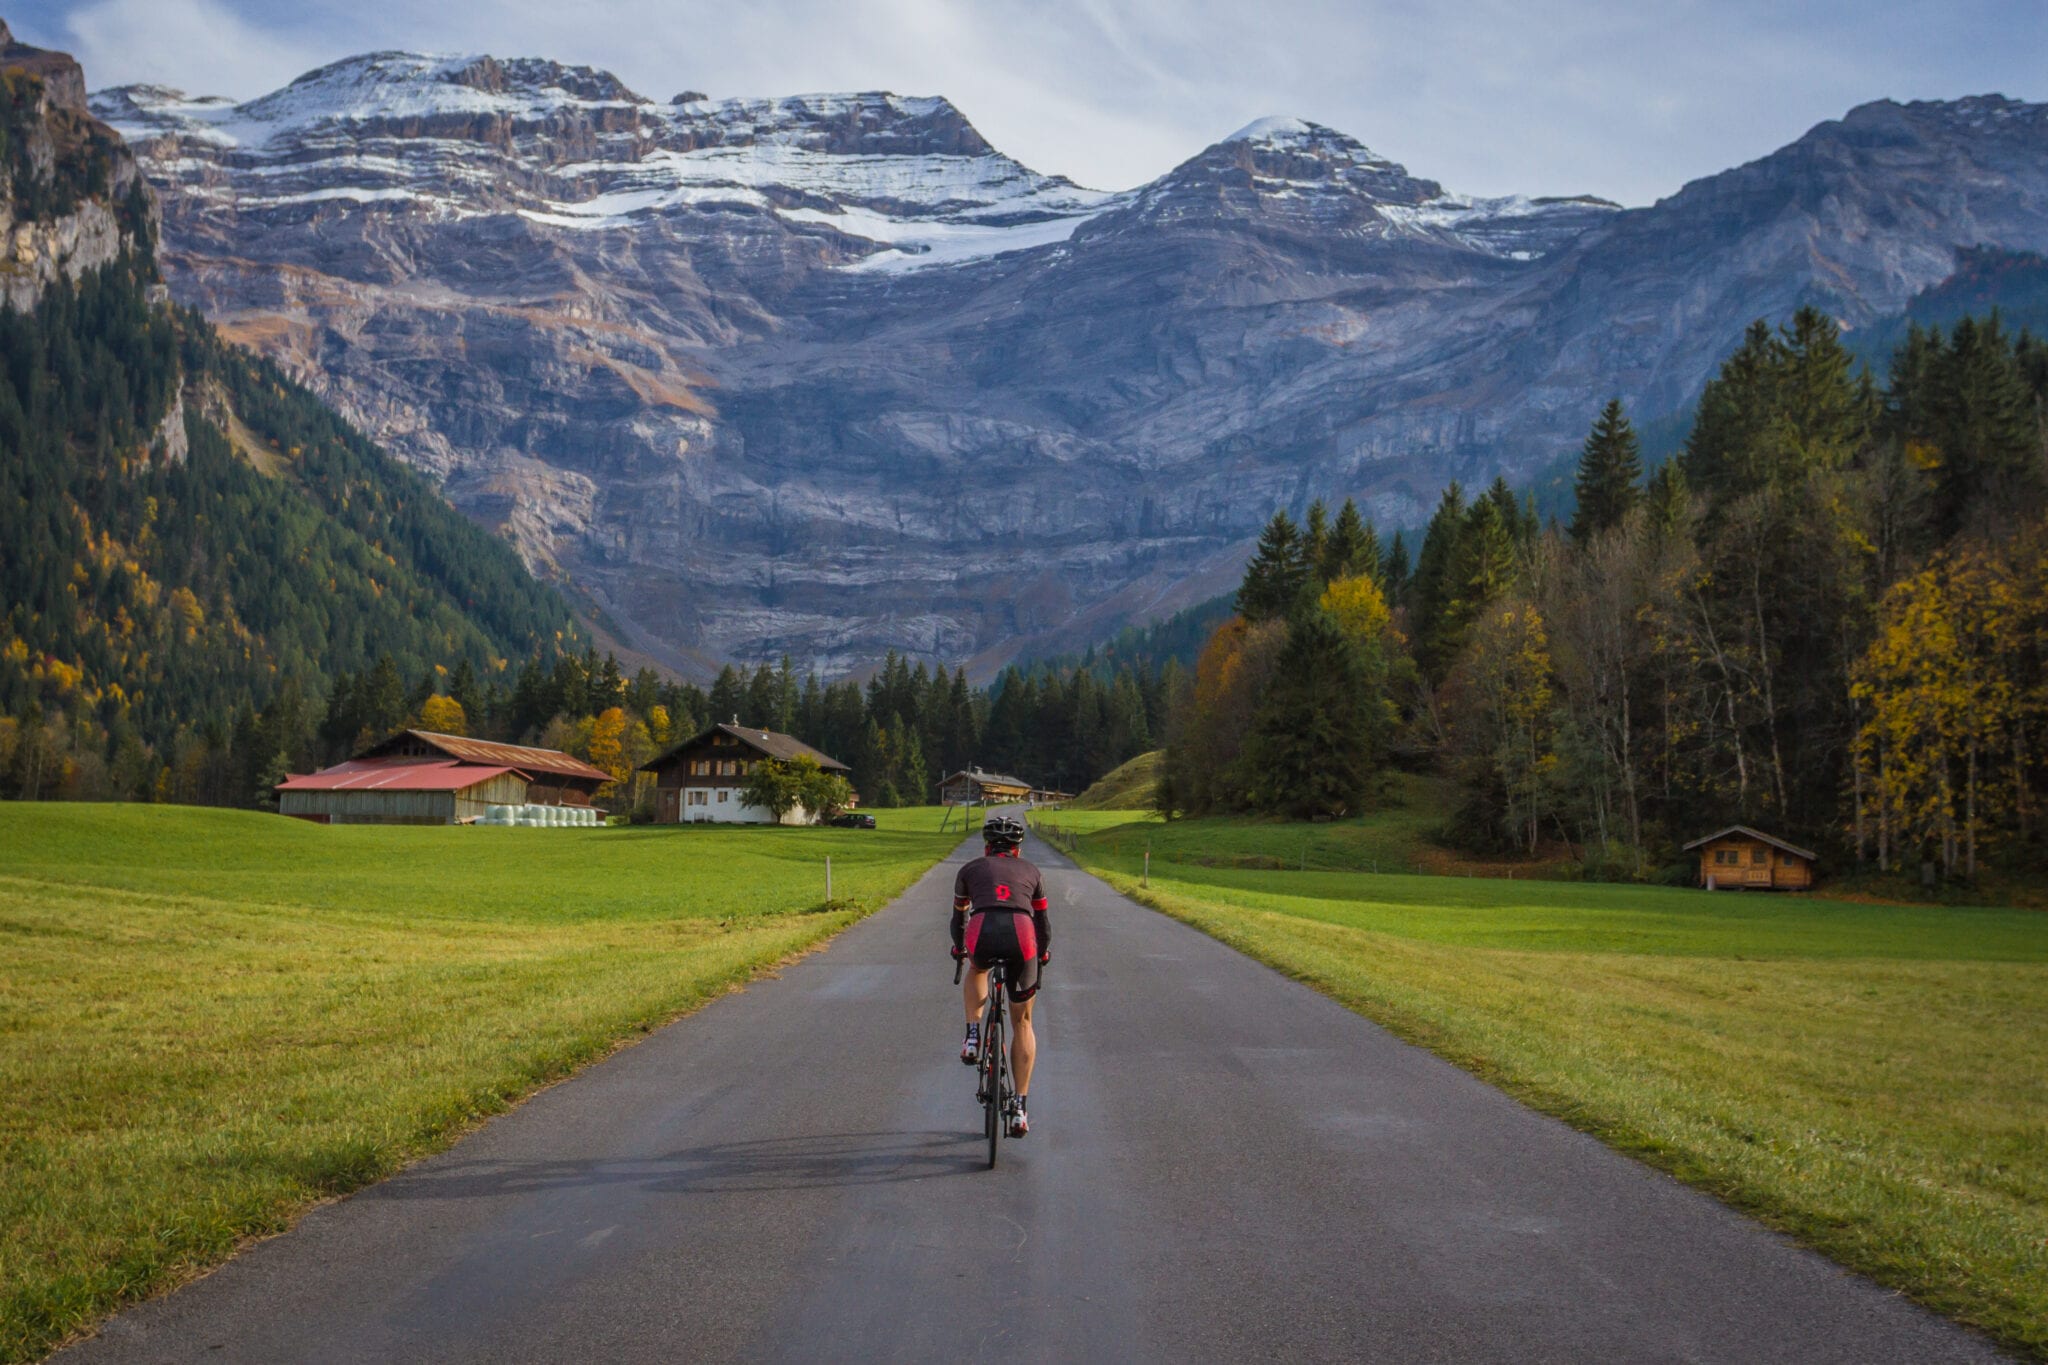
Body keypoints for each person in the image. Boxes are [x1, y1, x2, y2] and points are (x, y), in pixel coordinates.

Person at [950, 813, 1050, 1137]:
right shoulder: (1032, 871)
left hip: (982, 929)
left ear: (986, 847)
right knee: (1022, 1021)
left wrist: (958, 949)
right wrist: (1043, 953)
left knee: (977, 967)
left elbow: (958, 921)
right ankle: (1020, 1108)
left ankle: (973, 1035)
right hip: (1022, 934)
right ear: (1018, 849)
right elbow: (1043, 924)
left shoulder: (969, 870)